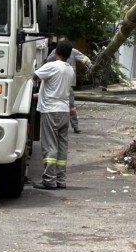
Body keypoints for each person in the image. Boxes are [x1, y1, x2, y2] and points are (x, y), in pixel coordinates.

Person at [32, 39, 75, 190]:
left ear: (55, 52)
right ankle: (60, 180)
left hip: (51, 110)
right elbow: (56, 89)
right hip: (64, 111)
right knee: (62, 146)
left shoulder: (51, 66)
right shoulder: (69, 69)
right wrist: (39, 95)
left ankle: (49, 180)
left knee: (49, 145)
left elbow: (33, 77)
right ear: (69, 55)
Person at [46, 36, 92, 134]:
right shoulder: (55, 52)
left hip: (69, 84)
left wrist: (91, 67)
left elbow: (84, 59)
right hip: (57, 84)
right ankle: (56, 125)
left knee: (71, 106)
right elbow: (47, 61)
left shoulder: (73, 51)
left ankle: (75, 126)